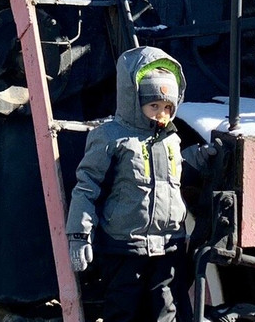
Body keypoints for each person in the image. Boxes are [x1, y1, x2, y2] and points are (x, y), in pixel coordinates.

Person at [65, 45, 203, 322]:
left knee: (167, 308)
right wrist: (79, 235)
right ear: (134, 99)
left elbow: (171, 181)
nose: (161, 114)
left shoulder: (172, 141)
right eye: (153, 106)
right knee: (123, 309)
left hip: (168, 243)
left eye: (167, 107)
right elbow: (87, 186)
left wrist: (198, 159)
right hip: (125, 245)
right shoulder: (112, 138)